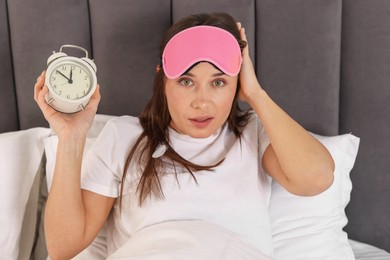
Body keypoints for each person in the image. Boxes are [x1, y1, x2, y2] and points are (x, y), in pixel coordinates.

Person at [34, 13, 334, 259]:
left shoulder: (254, 133)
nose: (201, 102)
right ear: (162, 79)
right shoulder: (124, 136)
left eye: (218, 82)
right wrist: (71, 137)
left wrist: (255, 93)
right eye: (186, 81)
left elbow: (316, 178)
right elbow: (63, 247)